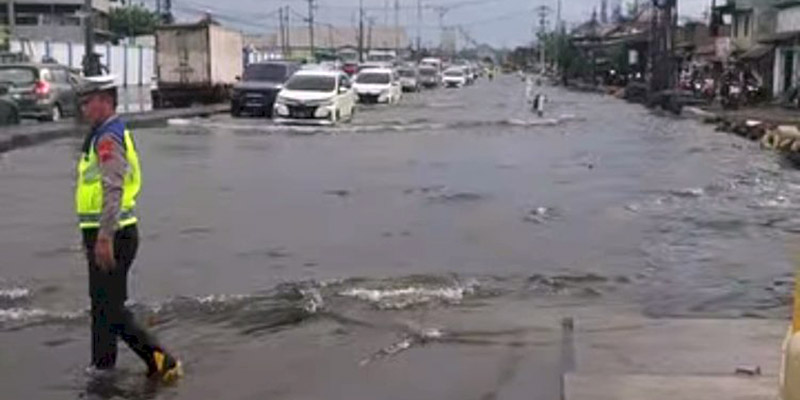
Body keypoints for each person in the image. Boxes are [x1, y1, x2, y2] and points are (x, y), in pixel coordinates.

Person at [76, 75, 182, 382]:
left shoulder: (108, 137)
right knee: (102, 305)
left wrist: (104, 237)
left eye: (88, 101)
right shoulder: (102, 133)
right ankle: (102, 367)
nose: (84, 108)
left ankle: (161, 360)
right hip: (105, 231)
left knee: (110, 308)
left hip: (113, 232)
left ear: (105, 101)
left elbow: (113, 188)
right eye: (82, 102)